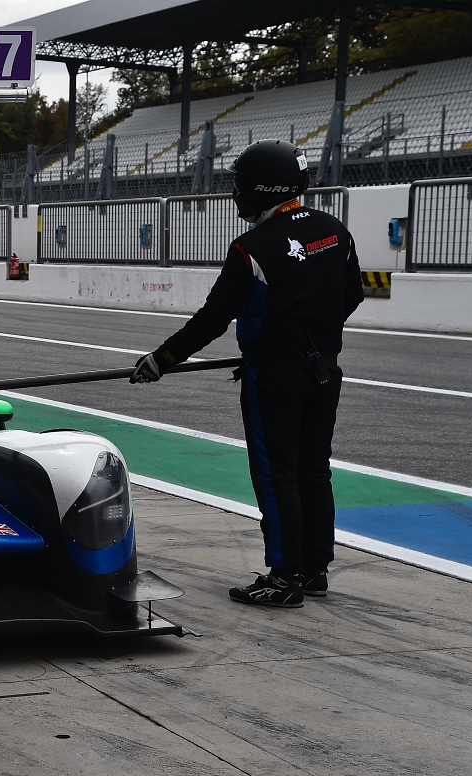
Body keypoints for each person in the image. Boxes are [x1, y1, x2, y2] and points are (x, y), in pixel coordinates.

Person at [130, 140, 363, 608]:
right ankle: (314, 570)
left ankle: (284, 576)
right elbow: (351, 295)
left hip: (273, 375)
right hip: (325, 369)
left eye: (240, 186)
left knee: (277, 476)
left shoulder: (251, 248)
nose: (236, 194)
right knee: (314, 469)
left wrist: (162, 359)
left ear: (262, 189)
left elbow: (213, 319)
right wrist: (311, 333)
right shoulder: (335, 231)